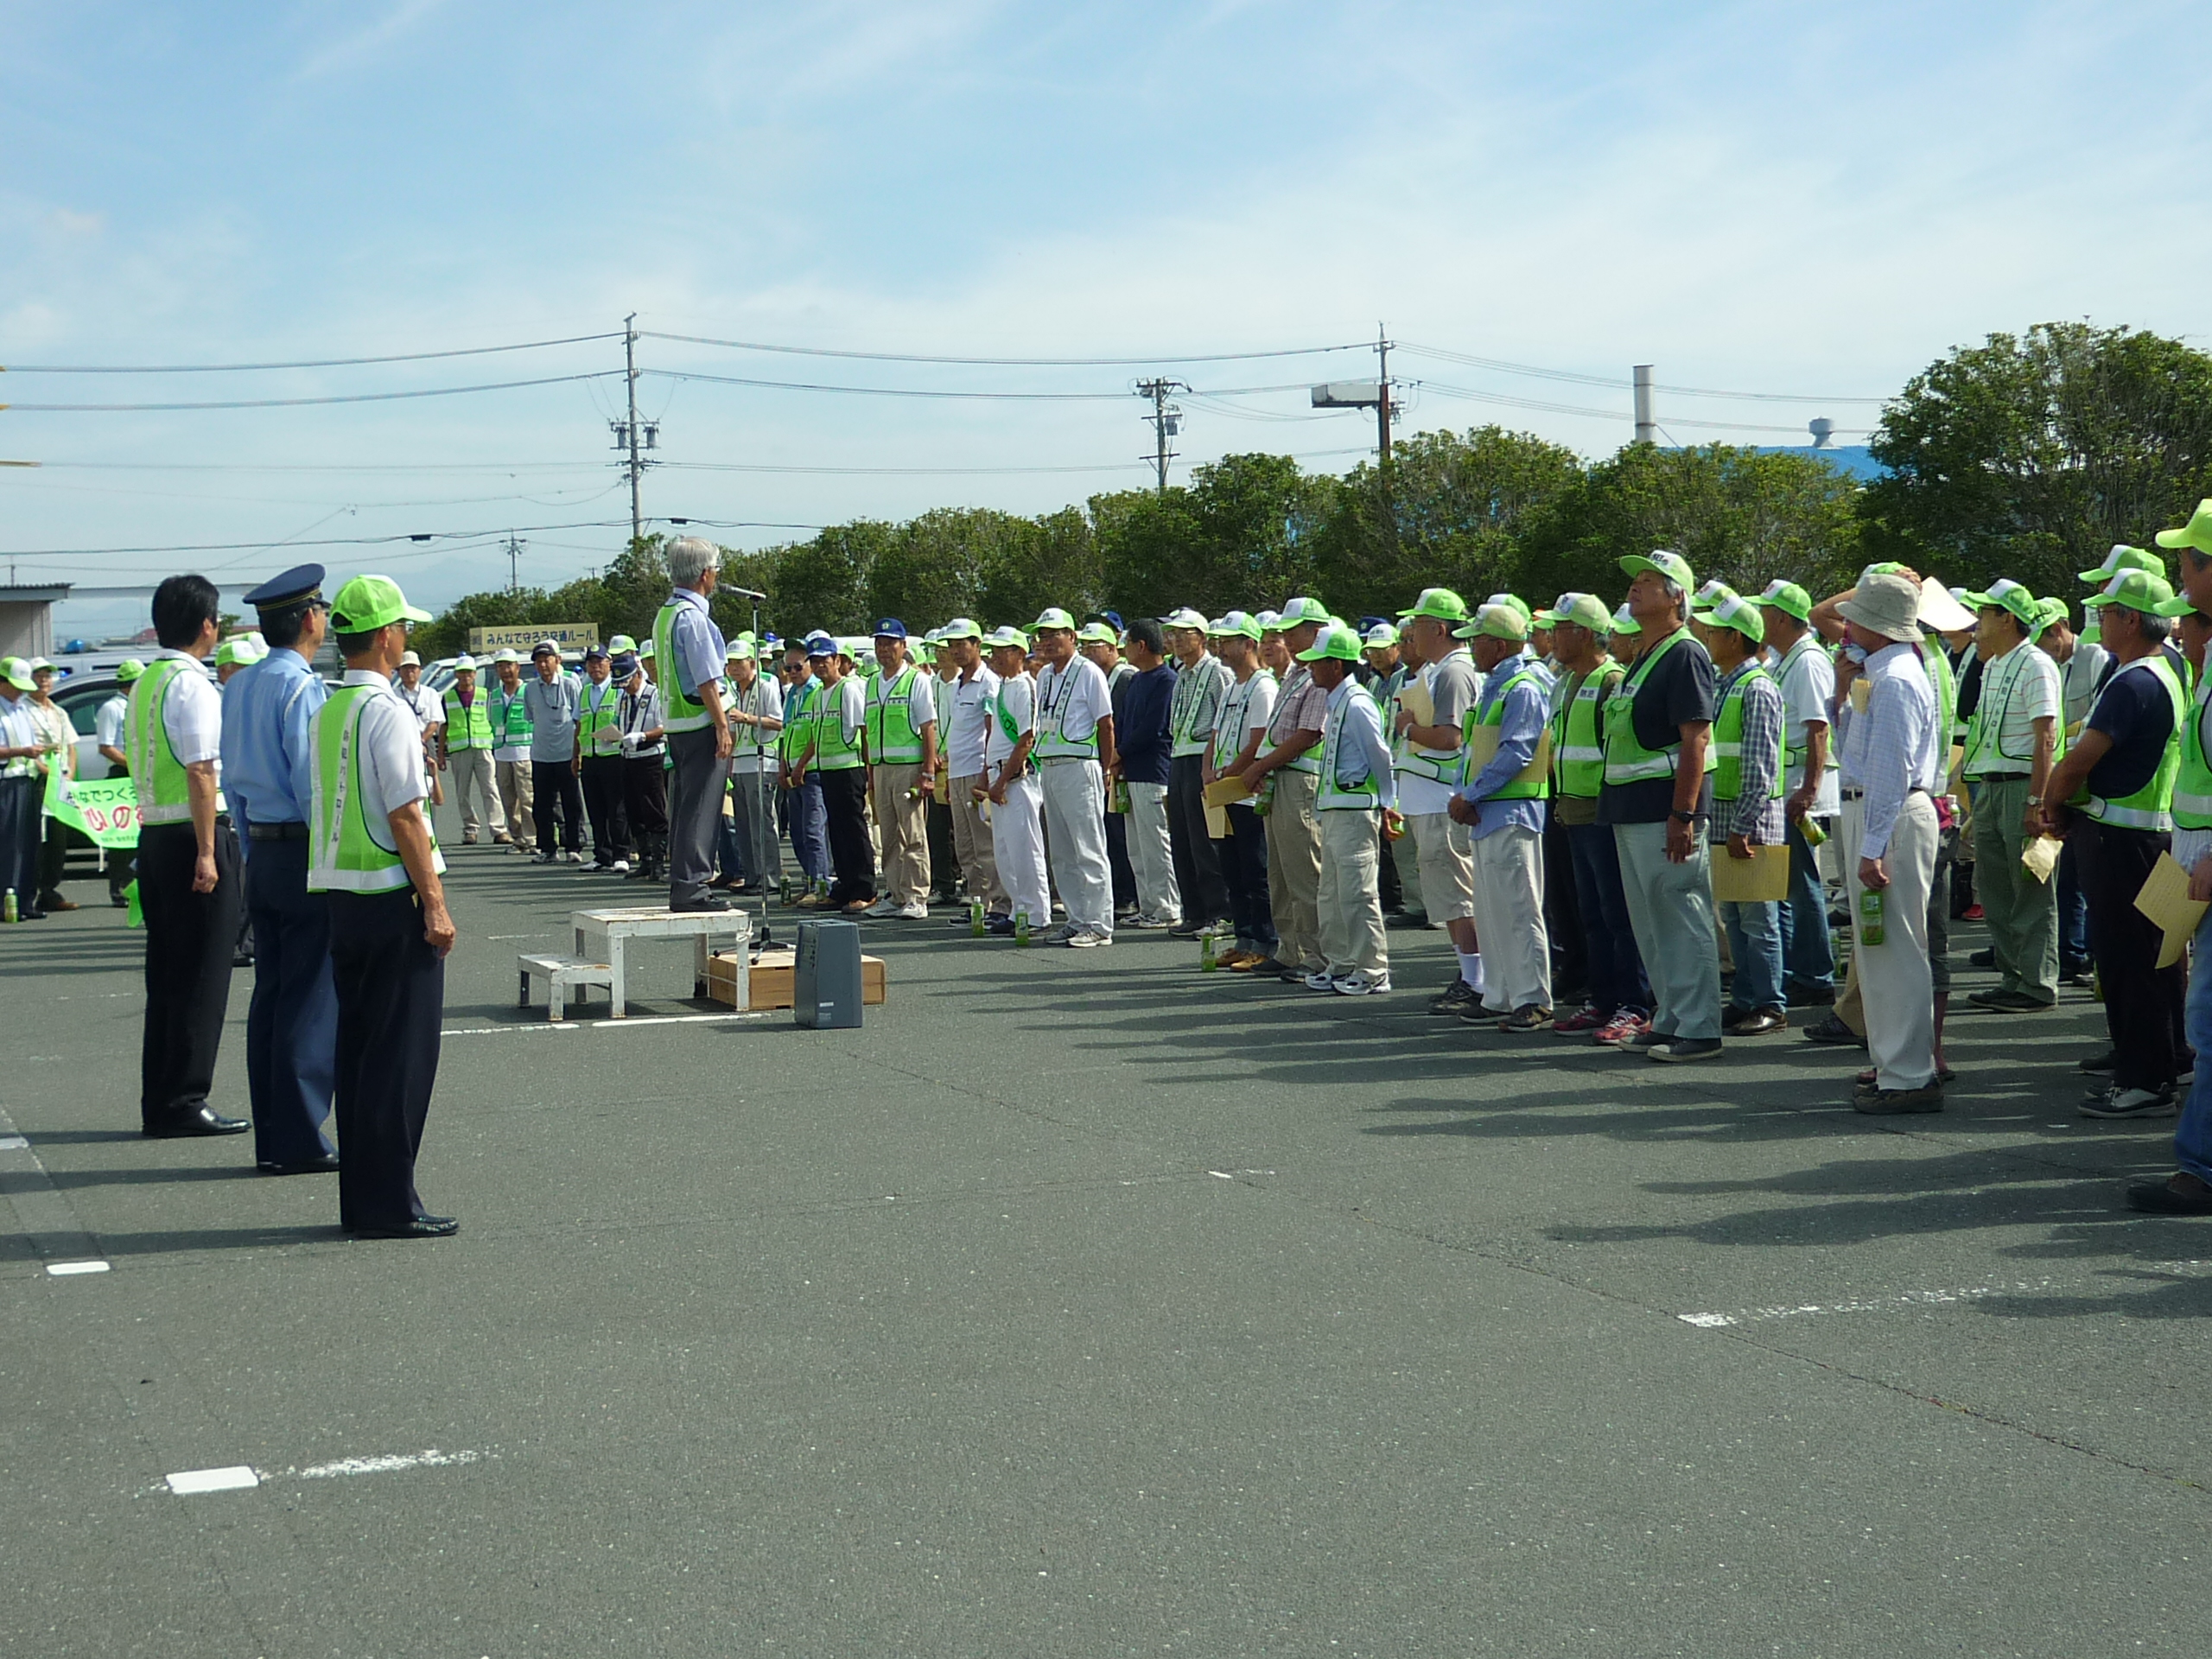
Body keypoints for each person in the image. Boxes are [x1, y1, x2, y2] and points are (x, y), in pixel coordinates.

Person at [308, 575, 456, 1237]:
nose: (406, 638)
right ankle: (392, 1204)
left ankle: (364, 1201)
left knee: (360, 1055)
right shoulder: (388, 710)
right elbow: (405, 813)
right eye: (403, 627)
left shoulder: (329, 708)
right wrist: (436, 905)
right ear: (386, 635)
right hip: (393, 900)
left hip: (343, 896)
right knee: (401, 1061)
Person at [2041, 568, 2188, 1117]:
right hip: (2150, 834)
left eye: (2105, 612)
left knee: (2127, 960)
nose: (2098, 621)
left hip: (2119, 838)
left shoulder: (2132, 681)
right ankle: (2168, 1056)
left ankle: (2145, 1080)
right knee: (2157, 958)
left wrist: (2050, 804)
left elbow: (2080, 759)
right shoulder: (2166, 671)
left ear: (2130, 620)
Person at [219, 564, 340, 1174]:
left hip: (262, 850)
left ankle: (273, 1133)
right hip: (301, 850)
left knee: (271, 995)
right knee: (310, 998)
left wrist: (248, 849)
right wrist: (329, 858)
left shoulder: (238, 686)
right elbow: (310, 783)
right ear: (310, 619)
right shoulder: (303, 688)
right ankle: (299, 1136)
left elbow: (232, 785)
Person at [128, 575, 249, 1136]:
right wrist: (209, 851)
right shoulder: (192, 684)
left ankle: (162, 1097)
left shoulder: (146, 682)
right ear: (206, 625)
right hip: (191, 837)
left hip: (153, 834)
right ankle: (185, 1098)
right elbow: (201, 769)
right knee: (202, 974)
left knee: (169, 975)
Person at [1599, 550, 1723, 1064]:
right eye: (1636, 579)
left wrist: (1684, 816)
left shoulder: (1685, 653)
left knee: (1682, 915)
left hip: (1664, 812)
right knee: (1651, 921)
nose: (1637, 587)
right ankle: (1670, 1017)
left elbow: (1695, 739)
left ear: (1677, 598)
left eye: (1651, 581)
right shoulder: (1644, 656)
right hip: (1631, 810)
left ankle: (1699, 1028)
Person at [1835, 570, 1946, 1112]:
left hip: (1891, 814)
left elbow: (1889, 769)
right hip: (1878, 811)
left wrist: (1873, 844)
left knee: (1896, 947)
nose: (1847, 627)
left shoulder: (1897, 678)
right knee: (1881, 946)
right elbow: (1856, 748)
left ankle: (1907, 1074)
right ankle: (1893, 1063)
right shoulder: (1878, 672)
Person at [2131, 502, 2212, 1211]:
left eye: (2189, 558)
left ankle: (2202, 1168)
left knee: (2209, 1020)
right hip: (2197, 864)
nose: (2180, 573)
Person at [1541, 594, 1650, 1044]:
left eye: (1559, 630)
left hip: (1602, 816)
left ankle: (1634, 1003)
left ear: (1584, 634)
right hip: (1572, 811)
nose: (1551, 639)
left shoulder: (1611, 681)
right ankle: (1602, 999)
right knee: (1591, 915)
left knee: (1618, 914)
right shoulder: (1567, 681)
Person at [1957, 579, 2062, 1012]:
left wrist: (2038, 801)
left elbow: (2047, 737)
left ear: (2007, 619)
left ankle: (2038, 984)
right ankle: (2012, 976)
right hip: (1991, 786)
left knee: (2031, 888)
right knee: (1997, 889)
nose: (1978, 622)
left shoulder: (2035, 663)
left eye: (1986, 613)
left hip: (2021, 786)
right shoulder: (1995, 664)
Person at [1449, 601, 1553, 1027]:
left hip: (1512, 813)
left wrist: (1470, 794)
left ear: (1497, 644)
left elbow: (1517, 751)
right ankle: (1499, 993)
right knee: (1492, 911)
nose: (1472, 648)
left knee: (1519, 908)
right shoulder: (1497, 684)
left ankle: (1532, 997)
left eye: (1476, 640)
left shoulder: (1524, 686)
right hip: (1488, 813)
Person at [1697, 594, 1789, 1039]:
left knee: (1758, 919)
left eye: (1714, 631)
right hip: (1726, 819)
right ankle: (1746, 999)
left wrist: (1742, 826)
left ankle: (1771, 1002)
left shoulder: (1756, 687)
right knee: (1734, 918)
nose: (1708, 636)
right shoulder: (1725, 684)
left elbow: (1759, 765)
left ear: (1736, 637)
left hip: (1749, 824)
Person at [1391, 588, 1486, 1016]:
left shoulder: (1453, 672)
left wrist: (1408, 729)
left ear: (1440, 629)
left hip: (1440, 799)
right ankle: (1470, 975)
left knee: (1456, 894)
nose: (1410, 634)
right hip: (1427, 799)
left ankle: (1476, 979)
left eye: (1418, 625)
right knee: (1446, 895)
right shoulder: (1437, 671)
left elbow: (1451, 739)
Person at [1237, 598, 1331, 982]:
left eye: (1293, 632)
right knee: (1279, 871)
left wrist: (1260, 764)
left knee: (1305, 871)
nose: (1287, 640)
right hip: (1279, 777)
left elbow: (1308, 734)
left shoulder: (1320, 677)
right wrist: (1262, 765)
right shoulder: (1294, 675)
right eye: (1283, 633)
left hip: (1300, 778)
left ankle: (1317, 954)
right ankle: (1290, 948)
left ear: (1316, 631)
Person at [1300, 622, 1395, 995]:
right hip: (1336, 808)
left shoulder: (1357, 704)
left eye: (1317, 662)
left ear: (1337, 666)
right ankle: (1341, 962)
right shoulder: (1338, 701)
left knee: (1358, 893)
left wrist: (1388, 803)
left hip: (1356, 810)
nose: (1310, 668)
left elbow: (1380, 755)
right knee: (1332, 893)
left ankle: (1373, 970)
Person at [1758, 580, 1840, 1005]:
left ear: (1780, 618)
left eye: (1765, 612)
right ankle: (1799, 969)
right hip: (1785, 787)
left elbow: (1818, 728)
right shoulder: (1787, 658)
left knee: (1803, 884)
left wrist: (1808, 789)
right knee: (1789, 884)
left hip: (1796, 790)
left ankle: (1814, 974)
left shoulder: (1807, 661)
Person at [652, 537, 734, 912]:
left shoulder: (666, 614)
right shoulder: (693, 618)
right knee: (702, 807)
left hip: (677, 723)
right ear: (705, 574)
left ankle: (684, 882)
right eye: (715, 570)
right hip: (700, 722)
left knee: (686, 808)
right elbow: (707, 679)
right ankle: (693, 887)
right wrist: (722, 724)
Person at [1029, 607, 1117, 948]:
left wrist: (1106, 768)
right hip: (1050, 766)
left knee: (1089, 848)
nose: (1047, 642)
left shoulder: (1089, 672)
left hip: (1080, 766)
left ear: (1073, 637)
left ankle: (1099, 923)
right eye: (1043, 636)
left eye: (1055, 634)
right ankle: (1077, 918)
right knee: (1062, 852)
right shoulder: (1044, 676)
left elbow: (1105, 724)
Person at [1205, 611, 1278, 969]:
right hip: (1225, 791)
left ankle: (1265, 941)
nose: (1221, 647)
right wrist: (1208, 770)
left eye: (1228, 641)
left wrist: (1228, 774)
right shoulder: (1232, 685)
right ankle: (1243, 936)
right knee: (1231, 870)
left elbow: (1257, 742)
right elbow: (1215, 736)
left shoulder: (1263, 686)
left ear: (1249, 644)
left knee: (1255, 870)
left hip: (1245, 791)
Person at [789, 632, 874, 914]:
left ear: (837, 660)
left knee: (854, 831)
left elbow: (863, 729)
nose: (820, 665)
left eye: (825, 660)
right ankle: (844, 887)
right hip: (827, 768)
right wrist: (802, 764)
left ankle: (864, 888)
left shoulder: (848, 689)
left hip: (850, 768)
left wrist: (869, 770)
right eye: (814, 661)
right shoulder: (818, 695)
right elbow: (814, 735)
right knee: (836, 832)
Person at [1162, 606, 1233, 939]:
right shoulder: (1181, 675)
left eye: (1183, 633)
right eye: (1172, 634)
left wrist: (1216, 766)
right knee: (1182, 839)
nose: (1175, 639)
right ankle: (1194, 911)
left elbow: (1226, 721)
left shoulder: (1217, 672)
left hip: (1203, 759)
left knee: (1206, 840)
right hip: (1179, 756)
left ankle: (1219, 911)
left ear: (1202, 637)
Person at [862, 620, 938, 919]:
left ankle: (917, 896)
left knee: (914, 833)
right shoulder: (871, 682)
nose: (884, 650)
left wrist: (928, 771)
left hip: (908, 767)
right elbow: (868, 730)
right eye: (879, 644)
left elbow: (928, 727)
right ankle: (895, 895)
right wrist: (870, 772)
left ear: (903, 647)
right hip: (881, 769)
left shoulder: (915, 680)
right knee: (890, 835)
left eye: (890, 643)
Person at [934, 619, 1007, 923]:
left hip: (978, 769)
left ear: (977, 645)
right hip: (957, 771)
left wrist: (985, 774)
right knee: (965, 847)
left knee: (986, 844)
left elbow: (991, 730)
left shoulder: (989, 681)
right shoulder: (957, 684)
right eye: (951, 645)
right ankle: (978, 903)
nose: (956, 650)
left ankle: (1001, 903)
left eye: (962, 644)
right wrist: (950, 776)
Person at [979, 626, 1049, 938]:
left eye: (1002, 651)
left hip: (1017, 779)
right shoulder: (1003, 687)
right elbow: (994, 736)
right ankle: (1019, 908)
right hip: (998, 776)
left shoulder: (1025, 686)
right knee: (1005, 850)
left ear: (1020, 654)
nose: (995, 657)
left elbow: (1025, 739)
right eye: (992, 651)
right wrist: (986, 776)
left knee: (1025, 847)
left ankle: (1037, 912)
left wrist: (1002, 780)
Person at [1116, 619, 1180, 929]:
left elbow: (1154, 728)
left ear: (1141, 645)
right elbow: (1125, 722)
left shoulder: (1166, 680)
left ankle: (1167, 906)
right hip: (1131, 771)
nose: (1124, 650)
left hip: (1154, 772)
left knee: (1157, 844)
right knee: (1137, 847)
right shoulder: (1136, 680)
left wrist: (1120, 752)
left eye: (1128, 643)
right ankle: (1148, 905)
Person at [1082, 618, 1141, 918]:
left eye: (1094, 647)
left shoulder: (1126, 677)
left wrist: (1116, 758)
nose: (1088, 652)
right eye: (1085, 647)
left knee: (1122, 833)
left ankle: (1129, 894)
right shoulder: (1096, 678)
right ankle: (1118, 891)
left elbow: (1125, 724)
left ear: (1110, 647)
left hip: (1122, 766)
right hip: (1102, 764)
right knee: (1107, 831)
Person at [1376, 620, 1429, 929]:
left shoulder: (1432, 676)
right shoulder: (1396, 679)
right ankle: (1414, 902)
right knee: (1402, 841)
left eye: (1410, 639)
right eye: (1403, 639)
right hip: (1396, 766)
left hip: (1425, 770)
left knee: (1429, 845)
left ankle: (1435, 906)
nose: (1407, 644)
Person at [721, 639, 781, 895]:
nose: (734, 668)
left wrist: (747, 717)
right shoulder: (733, 692)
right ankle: (752, 875)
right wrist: (727, 766)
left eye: (739, 662)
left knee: (761, 824)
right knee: (743, 825)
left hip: (762, 761)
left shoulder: (766, 687)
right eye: (730, 663)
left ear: (752, 663)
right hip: (740, 764)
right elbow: (731, 733)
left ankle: (770, 878)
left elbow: (778, 722)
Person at [0, 657, 56, 918]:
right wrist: (21, 751)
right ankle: (5, 903)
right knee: (8, 844)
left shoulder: (20, 707)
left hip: (26, 780)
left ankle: (24, 902)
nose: (22, 690)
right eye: (16, 685)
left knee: (28, 843)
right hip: (5, 782)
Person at [24, 659, 81, 912]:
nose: (44, 681)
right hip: (38, 781)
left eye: (48, 676)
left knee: (59, 838)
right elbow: (28, 751)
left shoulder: (58, 711)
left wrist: (68, 775)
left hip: (60, 782)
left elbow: (70, 746)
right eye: (38, 676)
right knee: (37, 838)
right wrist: (49, 773)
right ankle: (30, 891)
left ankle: (50, 890)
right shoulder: (23, 710)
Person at [779, 642, 831, 903]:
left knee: (813, 831)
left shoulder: (817, 691)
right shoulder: (792, 694)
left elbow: (816, 734)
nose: (792, 672)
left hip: (811, 771)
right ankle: (810, 880)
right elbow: (786, 731)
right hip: (792, 772)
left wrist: (799, 766)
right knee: (798, 834)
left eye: (798, 667)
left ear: (809, 665)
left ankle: (821, 885)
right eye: (788, 668)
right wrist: (783, 766)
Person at [524, 640, 585, 864]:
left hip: (566, 753)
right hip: (541, 754)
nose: (542, 665)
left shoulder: (570, 684)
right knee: (542, 805)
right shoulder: (530, 688)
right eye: (538, 661)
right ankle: (548, 848)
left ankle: (574, 846)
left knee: (571, 802)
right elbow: (531, 717)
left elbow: (578, 717)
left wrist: (577, 752)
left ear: (557, 661)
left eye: (546, 660)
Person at [437, 654, 508, 845]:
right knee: (462, 793)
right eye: (461, 673)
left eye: (468, 672)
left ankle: (498, 829)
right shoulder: (448, 697)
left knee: (490, 789)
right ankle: (470, 829)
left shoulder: (485, 695)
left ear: (475, 674)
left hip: (483, 747)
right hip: (460, 750)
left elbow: (493, 720)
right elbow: (443, 726)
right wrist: (440, 754)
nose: (465, 676)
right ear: (456, 674)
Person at [575, 644, 632, 873]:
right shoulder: (585, 691)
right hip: (590, 756)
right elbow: (578, 725)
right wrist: (575, 755)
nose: (595, 667)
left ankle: (622, 854)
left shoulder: (617, 689)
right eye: (591, 663)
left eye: (600, 662)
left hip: (613, 755)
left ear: (609, 663)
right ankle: (601, 854)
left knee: (616, 809)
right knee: (595, 809)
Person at [615, 649, 668, 883]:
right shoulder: (623, 698)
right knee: (633, 811)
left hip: (650, 757)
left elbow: (664, 726)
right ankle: (644, 860)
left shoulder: (654, 694)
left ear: (638, 674)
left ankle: (658, 862)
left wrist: (644, 736)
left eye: (627, 682)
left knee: (654, 811)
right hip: (628, 757)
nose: (625, 688)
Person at [96, 659, 143, 903]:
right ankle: (119, 888)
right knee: (121, 835)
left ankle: (135, 885)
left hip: (139, 774)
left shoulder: (139, 706)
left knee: (138, 835)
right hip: (121, 774)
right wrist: (132, 765)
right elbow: (106, 747)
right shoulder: (112, 708)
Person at [486, 649, 536, 853]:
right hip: (502, 754)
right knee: (508, 800)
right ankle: (518, 838)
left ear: (517, 667)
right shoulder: (495, 695)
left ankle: (532, 839)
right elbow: (491, 721)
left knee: (527, 799)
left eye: (508, 665)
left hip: (524, 753)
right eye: (500, 666)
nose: (505, 670)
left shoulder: (528, 691)